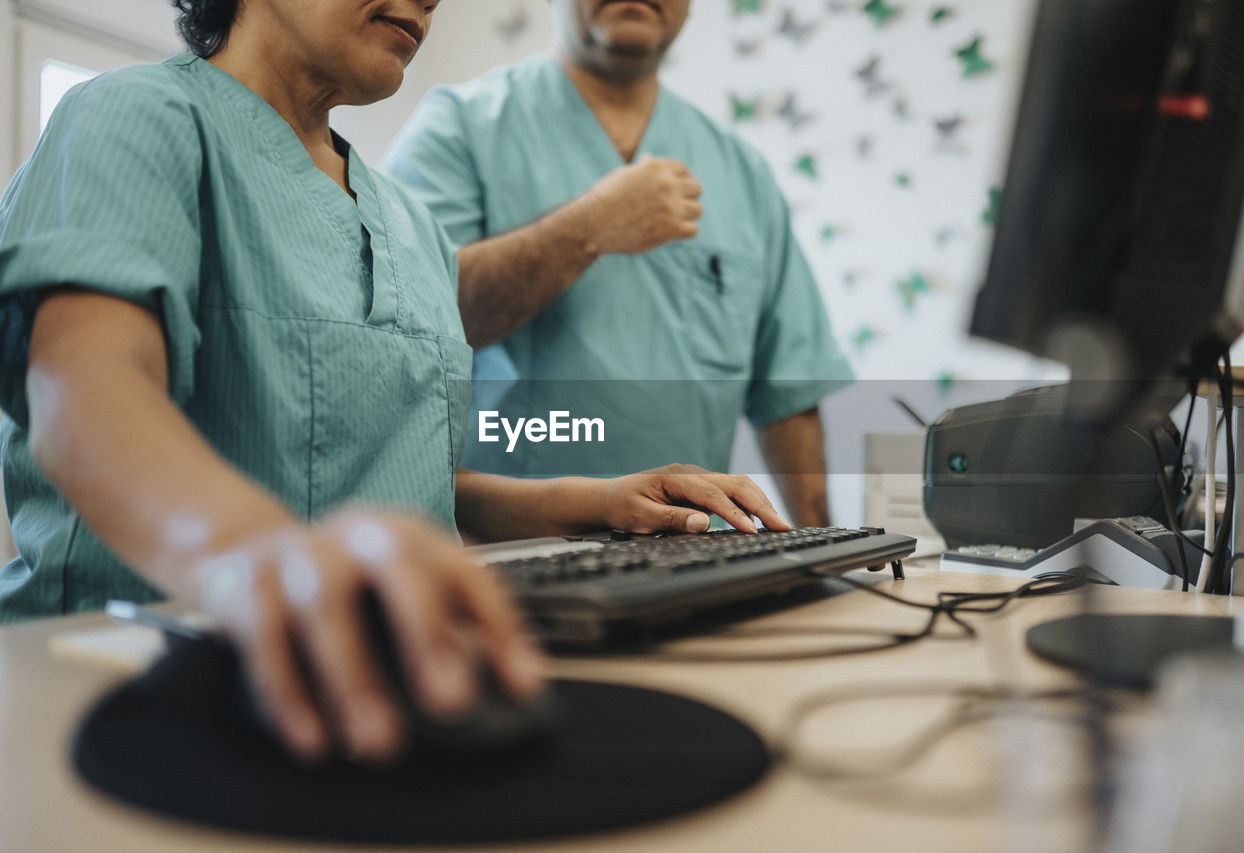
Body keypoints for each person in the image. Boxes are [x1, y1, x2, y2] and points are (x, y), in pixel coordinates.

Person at [0, 0, 788, 762]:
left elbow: (396, 474)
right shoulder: (133, 119)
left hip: (385, 683)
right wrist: (259, 559)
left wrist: (590, 501)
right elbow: (82, 402)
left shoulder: (412, 223)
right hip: (118, 688)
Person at [381, 0, 854, 528]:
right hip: (503, 552)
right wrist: (585, 229)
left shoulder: (742, 173)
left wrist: (824, 554)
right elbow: (408, 325)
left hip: (697, 552)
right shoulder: (458, 129)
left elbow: (787, 393)